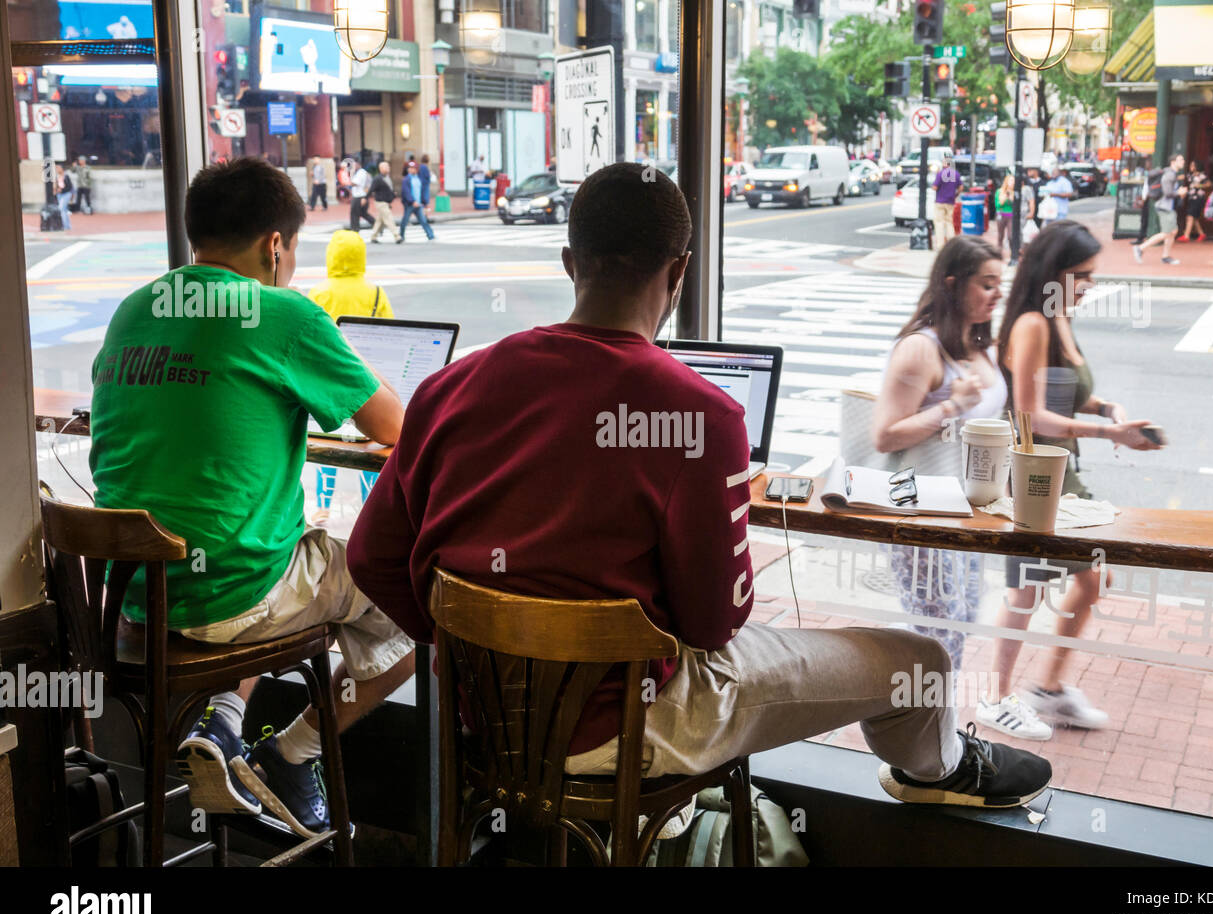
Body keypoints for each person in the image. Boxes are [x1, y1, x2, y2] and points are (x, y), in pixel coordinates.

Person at [346, 162, 1053, 810]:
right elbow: (713, 628)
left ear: (569, 263)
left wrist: (478, 649)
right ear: (680, 272)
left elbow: (371, 559)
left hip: (482, 719)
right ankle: (946, 777)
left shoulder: (448, 388)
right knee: (920, 661)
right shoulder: (703, 415)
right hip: (631, 727)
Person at [89, 157, 412, 835]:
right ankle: (293, 755)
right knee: (418, 591)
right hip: (229, 600)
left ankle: (225, 725)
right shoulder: (281, 313)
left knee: (266, 529)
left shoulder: (132, 311)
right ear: (275, 245)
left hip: (134, 608)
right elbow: (395, 427)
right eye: (291, 251)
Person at [984, 220, 1162, 739]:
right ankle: (998, 695)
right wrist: (1111, 431)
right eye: (1081, 274)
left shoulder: (1060, 318)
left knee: (1089, 576)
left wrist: (1106, 407)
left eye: (1091, 275)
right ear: (1053, 271)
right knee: (1028, 588)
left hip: (1058, 470)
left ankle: (1049, 689)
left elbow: (1063, 397)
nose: (1089, 285)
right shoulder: (1032, 325)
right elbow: (1032, 415)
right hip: (1032, 473)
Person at [873, 236, 1016, 704]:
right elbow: (885, 434)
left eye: (1001, 283)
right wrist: (951, 407)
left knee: (962, 617)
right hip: (921, 506)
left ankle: (928, 732)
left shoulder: (981, 343)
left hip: (969, 506)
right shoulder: (921, 349)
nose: (997, 293)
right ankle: (931, 743)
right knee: (941, 632)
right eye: (986, 284)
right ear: (953, 284)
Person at [308, 229, 395, 525]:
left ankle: (323, 505)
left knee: (330, 441)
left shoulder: (320, 292)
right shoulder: (376, 292)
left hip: (329, 382)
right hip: (365, 379)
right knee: (371, 444)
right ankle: (369, 506)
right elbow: (389, 328)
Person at [1134, 154, 1186, 265]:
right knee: (1166, 233)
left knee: (1173, 231)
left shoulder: (1172, 174)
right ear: (1173, 162)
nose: (1183, 161)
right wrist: (1179, 192)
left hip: (1167, 206)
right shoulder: (1169, 175)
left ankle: (1166, 256)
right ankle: (1140, 248)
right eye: (1180, 160)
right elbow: (1168, 193)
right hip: (1164, 207)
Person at [398, 161, 434, 243]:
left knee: (423, 220)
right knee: (405, 220)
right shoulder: (406, 179)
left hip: (418, 204)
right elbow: (406, 192)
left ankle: (430, 235)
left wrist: (424, 202)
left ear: (416, 169)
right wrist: (412, 201)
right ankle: (401, 235)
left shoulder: (418, 179)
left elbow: (421, 191)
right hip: (410, 204)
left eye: (413, 168)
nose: (411, 170)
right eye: (410, 168)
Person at [931, 156, 963, 249]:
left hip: (940, 201)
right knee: (949, 223)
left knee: (939, 223)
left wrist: (933, 187)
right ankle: (951, 245)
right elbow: (961, 187)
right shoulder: (956, 174)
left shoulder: (940, 174)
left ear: (945, 164)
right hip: (950, 201)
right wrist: (956, 194)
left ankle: (940, 245)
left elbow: (935, 187)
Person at [366, 161, 398, 243]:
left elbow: (389, 189)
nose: (388, 168)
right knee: (388, 218)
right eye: (386, 167)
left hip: (386, 202)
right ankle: (397, 236)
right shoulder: (377, 179)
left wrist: (393, 195)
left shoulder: (387, 177)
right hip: (380, 202)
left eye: (388, 167)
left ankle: (373, 236)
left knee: (380, 221)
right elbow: (371, 189)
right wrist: (365, 198)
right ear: (381, 169)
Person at [1177, 160, 1209, 243]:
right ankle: (1202, 234)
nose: (1191, 167)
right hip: (1191, 198)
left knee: (1190, 216)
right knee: (1194, 217)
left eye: (1192, 165)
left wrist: (1200, 185)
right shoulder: (1190, 175)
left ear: (1196, 166)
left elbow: (1209, 184)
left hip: (1198, 198)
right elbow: (1182, 177)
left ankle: (1186, 236)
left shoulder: (1202, 175)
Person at [348, 159, 374, 232]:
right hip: (360, 196)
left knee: (354, 214)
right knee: (363, 213)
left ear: (358, 164)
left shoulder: (361, 173)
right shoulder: (360, 173)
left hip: (359, 196)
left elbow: (354, 183)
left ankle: (355, 229)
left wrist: (350, 177)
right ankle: (376, 225)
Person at [994, 173, 1015, 252]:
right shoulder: (999, 191)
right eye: (1011, 180)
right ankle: (998, 252)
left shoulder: (1015, 192)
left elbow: (1015, 205)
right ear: (1006, 181)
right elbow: (998, 205)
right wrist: (1005, 196)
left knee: (1010, 236)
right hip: (1001, 215)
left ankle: (1012, 253)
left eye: (1013, 180)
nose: (1013, 182)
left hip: (1011, 216)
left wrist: (1011, 197)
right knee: (1000, 236)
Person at [54, 163, 74, 231]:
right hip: (59, 194)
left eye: (58, 168)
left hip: (66, 194)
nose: (57, 169)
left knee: (61, 209)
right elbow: (57, 185)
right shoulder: (57, 176)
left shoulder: (66, 176)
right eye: (56, 168)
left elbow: (70, 187)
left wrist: (62, 190)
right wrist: (56, 190)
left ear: (62, 169)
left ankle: (65, 226)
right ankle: (67, 226)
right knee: (64, 210)